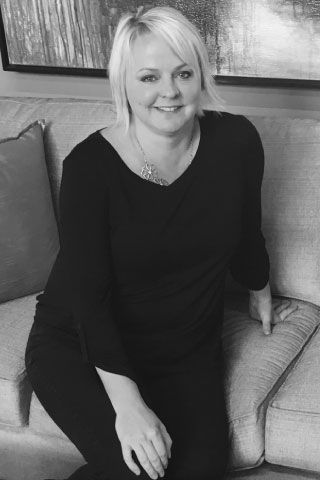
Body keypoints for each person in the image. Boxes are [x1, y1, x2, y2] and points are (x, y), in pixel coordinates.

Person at [25, 6, 297, 480]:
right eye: (149, 77)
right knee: (143, 473)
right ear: (124, 86)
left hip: (184, 351)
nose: (169, 92)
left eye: (183, 73)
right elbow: (90, 302)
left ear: (200, 76)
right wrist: (127, 407)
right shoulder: (90, 169)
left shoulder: (236, 141)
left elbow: (247, 230)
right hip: (80, 346)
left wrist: (260, 291)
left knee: (199, 472)